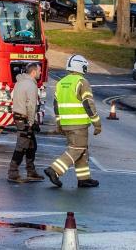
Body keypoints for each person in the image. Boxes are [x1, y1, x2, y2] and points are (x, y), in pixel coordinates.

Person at [45, 54, 102, 188]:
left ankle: (84, 179)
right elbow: (88, 104)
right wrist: (97, 123)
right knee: (77, 149)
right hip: (78, 124)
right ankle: (54, 170)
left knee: (81, 150)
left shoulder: (61, 83)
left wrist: (59, 123)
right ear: (80, 66)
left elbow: (56, 105)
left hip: (66, 124)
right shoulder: (82, 82)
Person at [7, 62, 43, 183]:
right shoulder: (31, 85)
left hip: (19, 116)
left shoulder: (20, 82)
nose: (41, 73)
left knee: (32, 145)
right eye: (39, 71)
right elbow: (31, 105)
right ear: (33, 72)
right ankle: (12, 172)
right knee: (22, 146)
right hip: (25, 118)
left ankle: (31, 171)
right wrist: (32, 122)